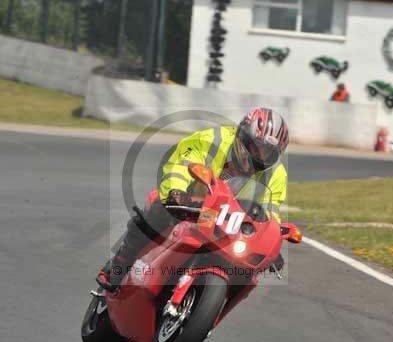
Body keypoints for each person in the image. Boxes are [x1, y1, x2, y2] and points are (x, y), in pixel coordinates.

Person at [97, 108, 289, 292]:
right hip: (189, 206)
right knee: (157, 209)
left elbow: (270, 212)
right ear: (242, 136)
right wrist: (175, 191)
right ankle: (118, 267)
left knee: (246, 271)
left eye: (267, 153)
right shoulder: (211, 139)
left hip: (228, 224)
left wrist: (272, 245)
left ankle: (206, 311)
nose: (259, 156)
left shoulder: (276, 174)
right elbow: (180, 165)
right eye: (256, 147)